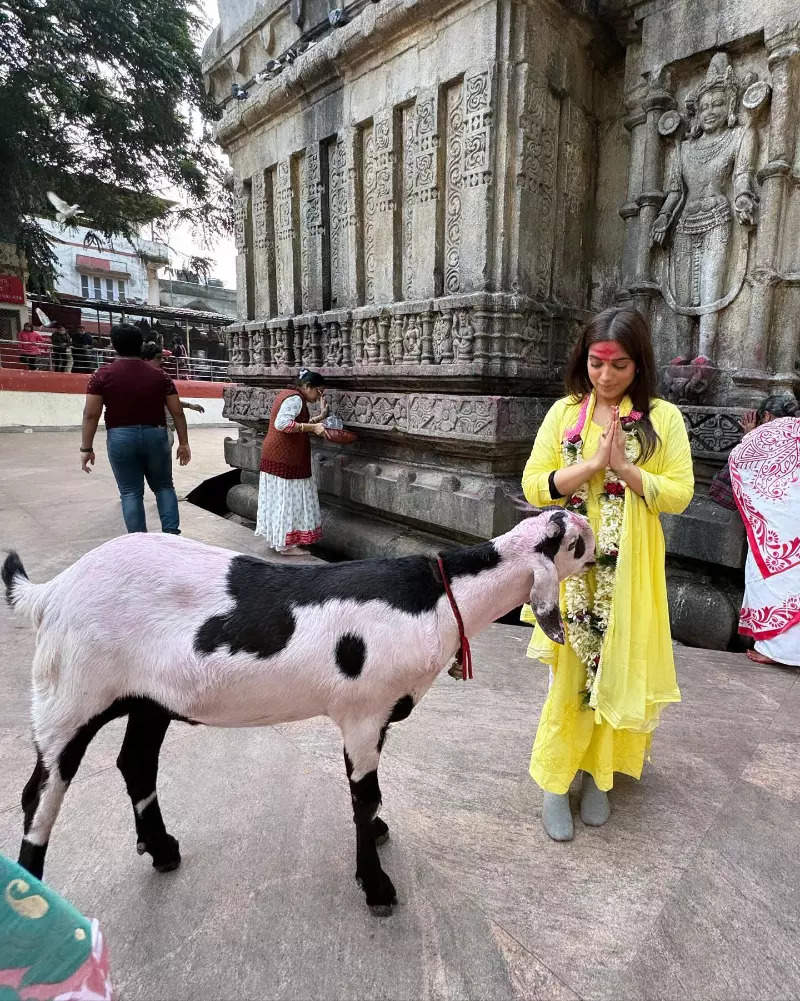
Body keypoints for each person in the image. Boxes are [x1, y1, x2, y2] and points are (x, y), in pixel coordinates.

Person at [520, 307, 694, 841]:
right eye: (597, 363)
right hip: (573, 574)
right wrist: (591, 467)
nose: (606, 376)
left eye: (619, 365)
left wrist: (626, 470)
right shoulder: (565, 413)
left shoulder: (662, 419)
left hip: (631, 573)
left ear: (638, 366)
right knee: (569, 679)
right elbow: (535, 483)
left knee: (619, 672)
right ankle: (556, 780)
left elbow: (680, 493)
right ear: (584, 361)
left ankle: (601, 777)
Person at [80, 324, 191, 535]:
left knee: (130, 493)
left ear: (113, 345)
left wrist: (86, 448)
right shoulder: (160, 376)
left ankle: (139, 542)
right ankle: (172, 536)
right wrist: (184, 443)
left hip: (120, 437)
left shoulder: (102, 375)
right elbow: (177, 412)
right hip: (156, 435)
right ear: (141, 345)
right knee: (164, 487)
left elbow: (91, 414)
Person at [728, 394, 800, 667]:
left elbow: (742, 464)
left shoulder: (766, 434)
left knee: (775, 583)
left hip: (777, 527)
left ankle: (775, 650)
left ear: (767, 417)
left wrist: (749, 437)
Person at [256, 369, 328, 555]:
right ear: (307, 387)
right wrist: (313, 427)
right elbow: (283, 424)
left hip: (276, 455)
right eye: (318, 392)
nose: (319, 396)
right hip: (285, 457)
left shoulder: (289, 394)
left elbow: (296, 422)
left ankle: (278, 539)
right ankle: (286, 546)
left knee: (279, 499)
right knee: (288, 499)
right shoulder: (296, 399)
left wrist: (319, 417)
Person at [141, 340, 205, 445]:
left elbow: (170, 403)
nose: (162, 361)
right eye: (158, 358)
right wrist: (184, 444)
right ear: (146, 359)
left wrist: (190, 405)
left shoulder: (160, 379)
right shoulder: (158, 379)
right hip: (156, 431)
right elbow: (177, 412)